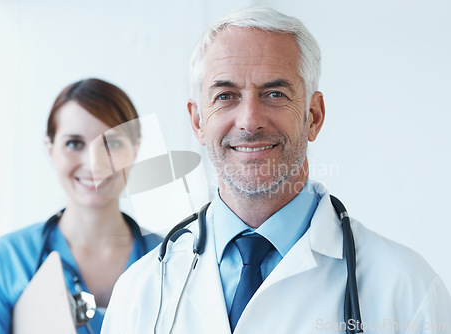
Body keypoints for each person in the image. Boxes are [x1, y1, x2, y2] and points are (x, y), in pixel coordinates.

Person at [101, 7, 451, 334]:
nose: (250, 120)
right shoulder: (143, 291)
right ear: (197, 121)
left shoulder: (407, 290)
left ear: (313, 116)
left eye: (274, 94)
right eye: (225, 95)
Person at [0, 78, 163, 333]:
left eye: (112, 143)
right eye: (74, 143)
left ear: (135, 148)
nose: (93, 163)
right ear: (50, 149)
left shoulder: (170, 261)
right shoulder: (4, 263)